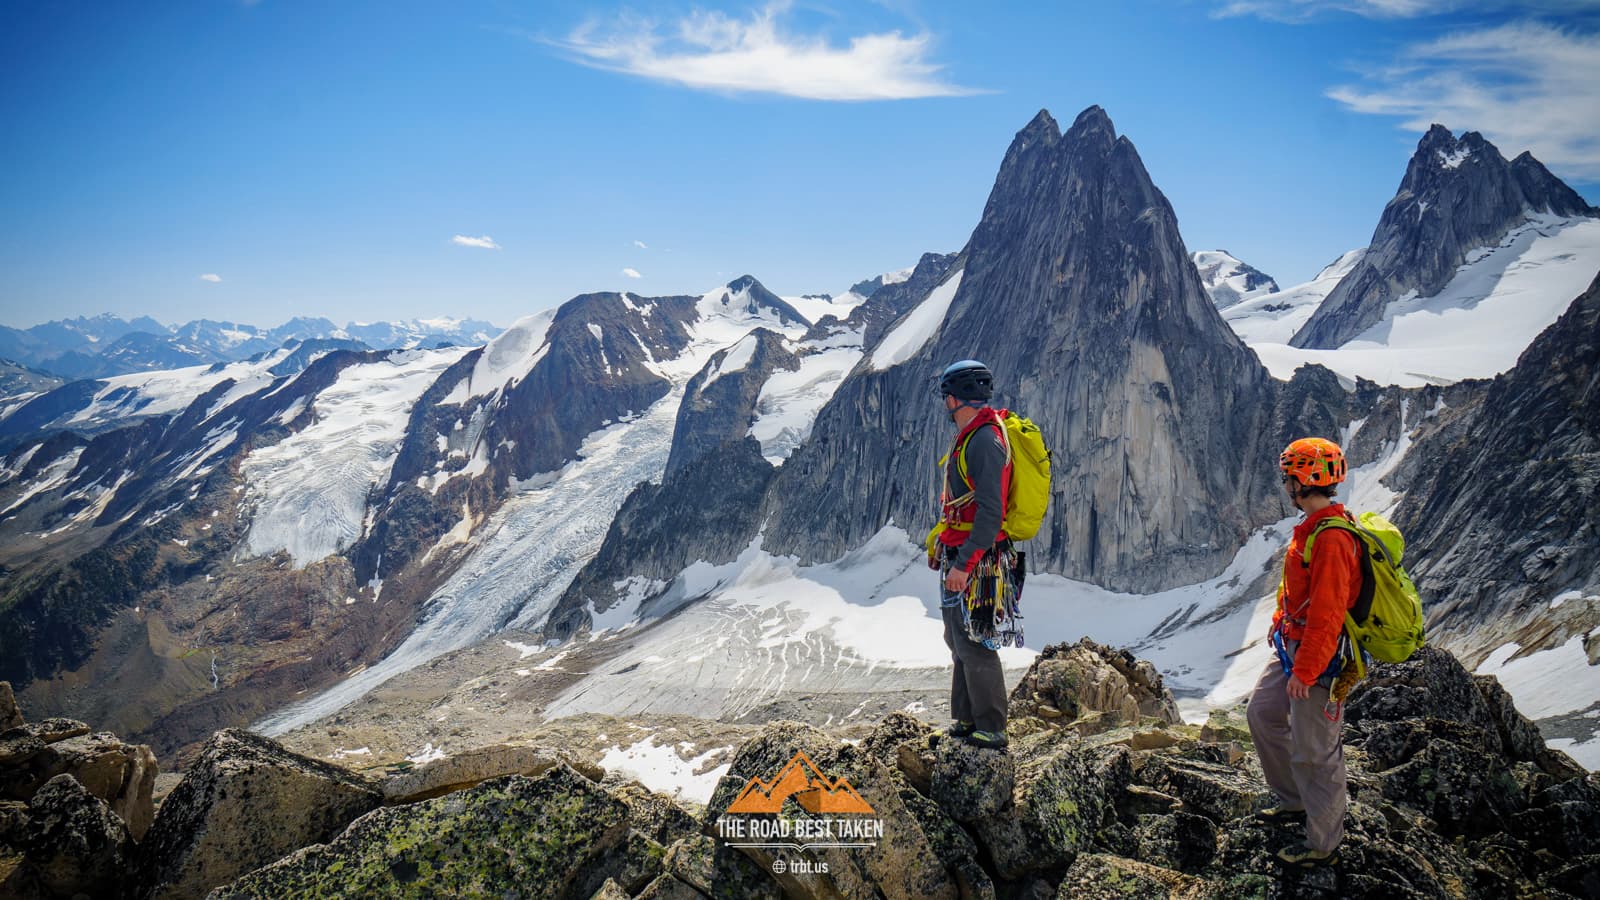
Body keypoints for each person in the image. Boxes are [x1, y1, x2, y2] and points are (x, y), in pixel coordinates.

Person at [1247, 437, 1360, 868]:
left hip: (1319, 657)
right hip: (1293, 646)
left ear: (1305, 480)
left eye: (1289, 476)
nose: (1285, 484)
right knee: (1262, 714)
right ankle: (1293, 800)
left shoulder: (1332, 538)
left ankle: (1323, 844)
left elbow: (1328, 615)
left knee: (1315, 750)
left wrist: (1307, 672)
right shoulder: (1314, 529)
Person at [932, 359, 1012, 750]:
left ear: (956, 396)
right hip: (961, 553)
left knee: (976, 640)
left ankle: (991, 727)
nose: (945, 403)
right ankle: (965, 719)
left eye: (946, 395)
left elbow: (991, 511)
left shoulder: (983, 441)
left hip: (975, 559)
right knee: (958, 637)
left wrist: (964, 563)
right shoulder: (972, 436)